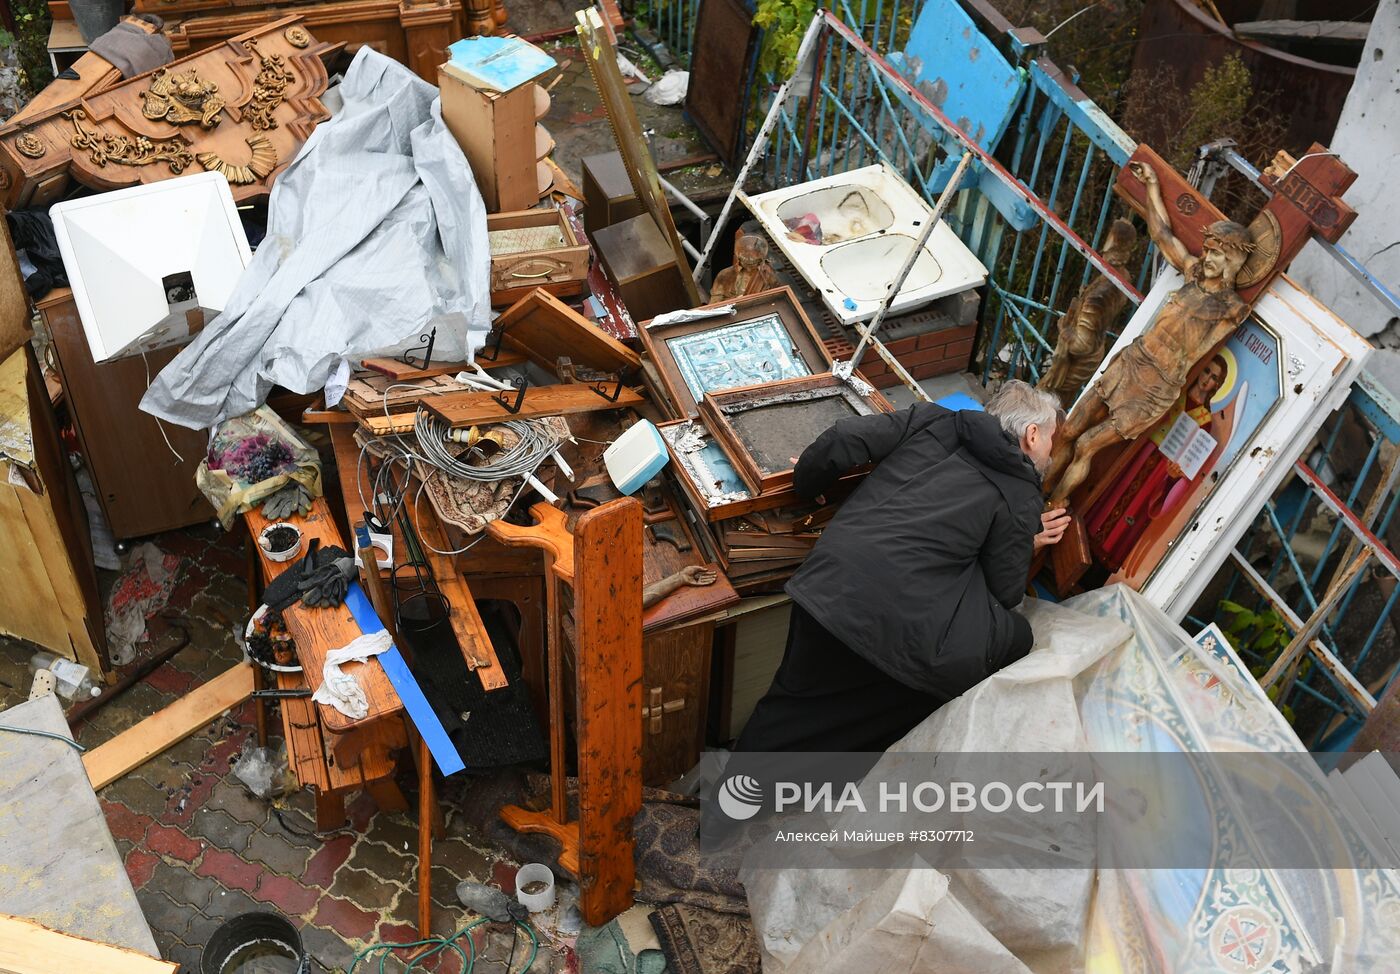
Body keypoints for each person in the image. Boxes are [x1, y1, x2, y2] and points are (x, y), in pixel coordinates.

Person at [735, 380, 1069, 753]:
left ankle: (733, 794)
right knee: (1015, 637)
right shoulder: (1021, 491)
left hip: (828, 586)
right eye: (1053, 440)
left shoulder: (938, 418)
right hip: (898, 631)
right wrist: (1027, 541)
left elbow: (845, 437)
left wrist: (806, 485)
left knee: (791, 700)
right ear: (1032, 435)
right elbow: (1003, 592)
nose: (1052, 454)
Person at [1083, 355, 1227, 570]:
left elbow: (1190, 458)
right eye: (1206, 371)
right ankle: (1086, 537)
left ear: (1218, 384)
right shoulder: (1178, 394)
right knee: (1117, 491)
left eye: (1214, 377)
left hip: (1161, 468)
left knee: (1135, 509)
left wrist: (1176, 472)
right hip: (1144, 450)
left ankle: (1105, 558)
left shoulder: (1205, 419)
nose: (1207, 379)